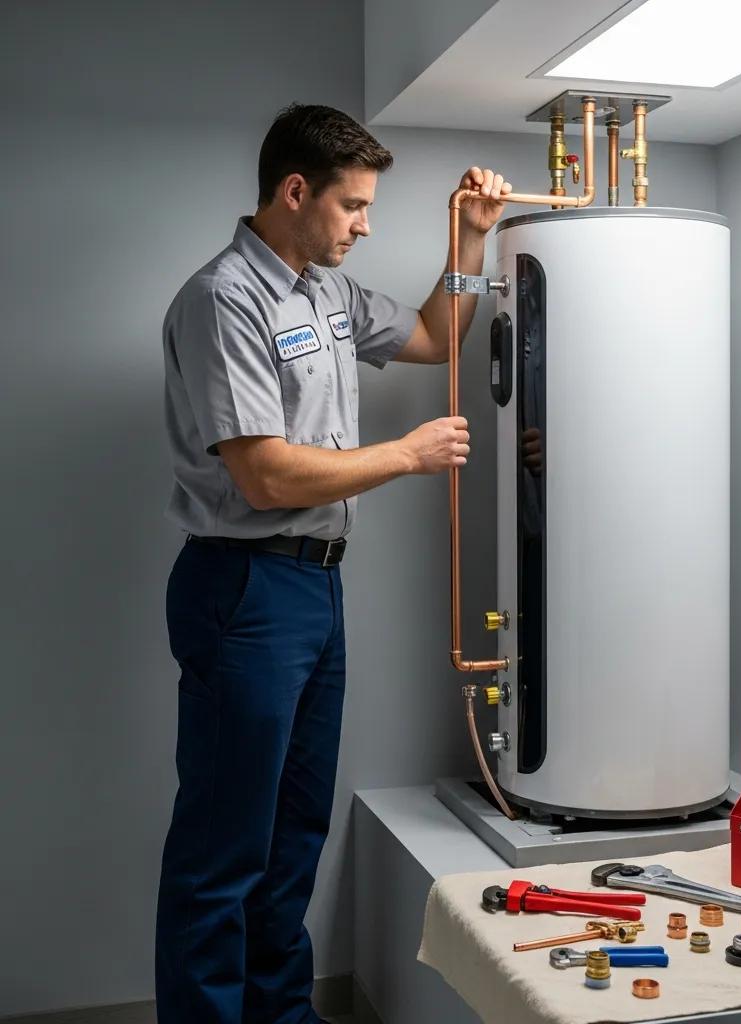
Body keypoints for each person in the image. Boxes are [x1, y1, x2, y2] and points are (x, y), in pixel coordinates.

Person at [155, 102, 511, 1024]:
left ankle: (280, 1015)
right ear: (295, 190)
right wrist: (407, 455)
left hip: (315, 587)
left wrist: (470, 241)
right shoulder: (222, 299)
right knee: (225, 844)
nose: (365, 225)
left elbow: (436, 338)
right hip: (246, 588)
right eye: (354, 206)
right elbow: (266, 475)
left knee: (293, 833)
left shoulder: (324, 291)